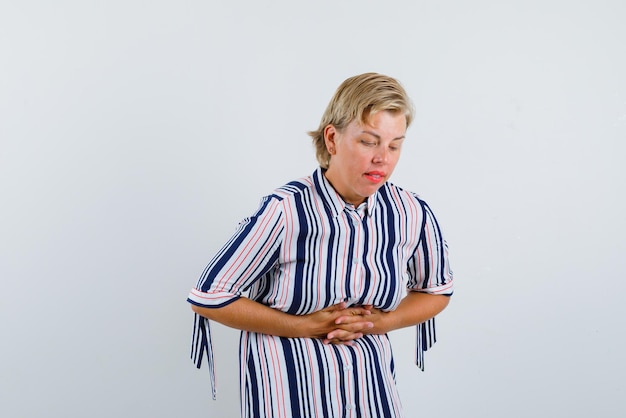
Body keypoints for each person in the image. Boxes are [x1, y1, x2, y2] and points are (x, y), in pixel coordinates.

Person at [187, 72, 454, 418]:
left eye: (394, 145)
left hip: (371, 395)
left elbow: (436, 290)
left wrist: (382, 322)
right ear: (332, 139)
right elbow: (209, 296)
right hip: (289, 395)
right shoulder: (286, 210)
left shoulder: (410, 212)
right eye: (369, 142)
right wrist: (301, 326)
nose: (382, 159)